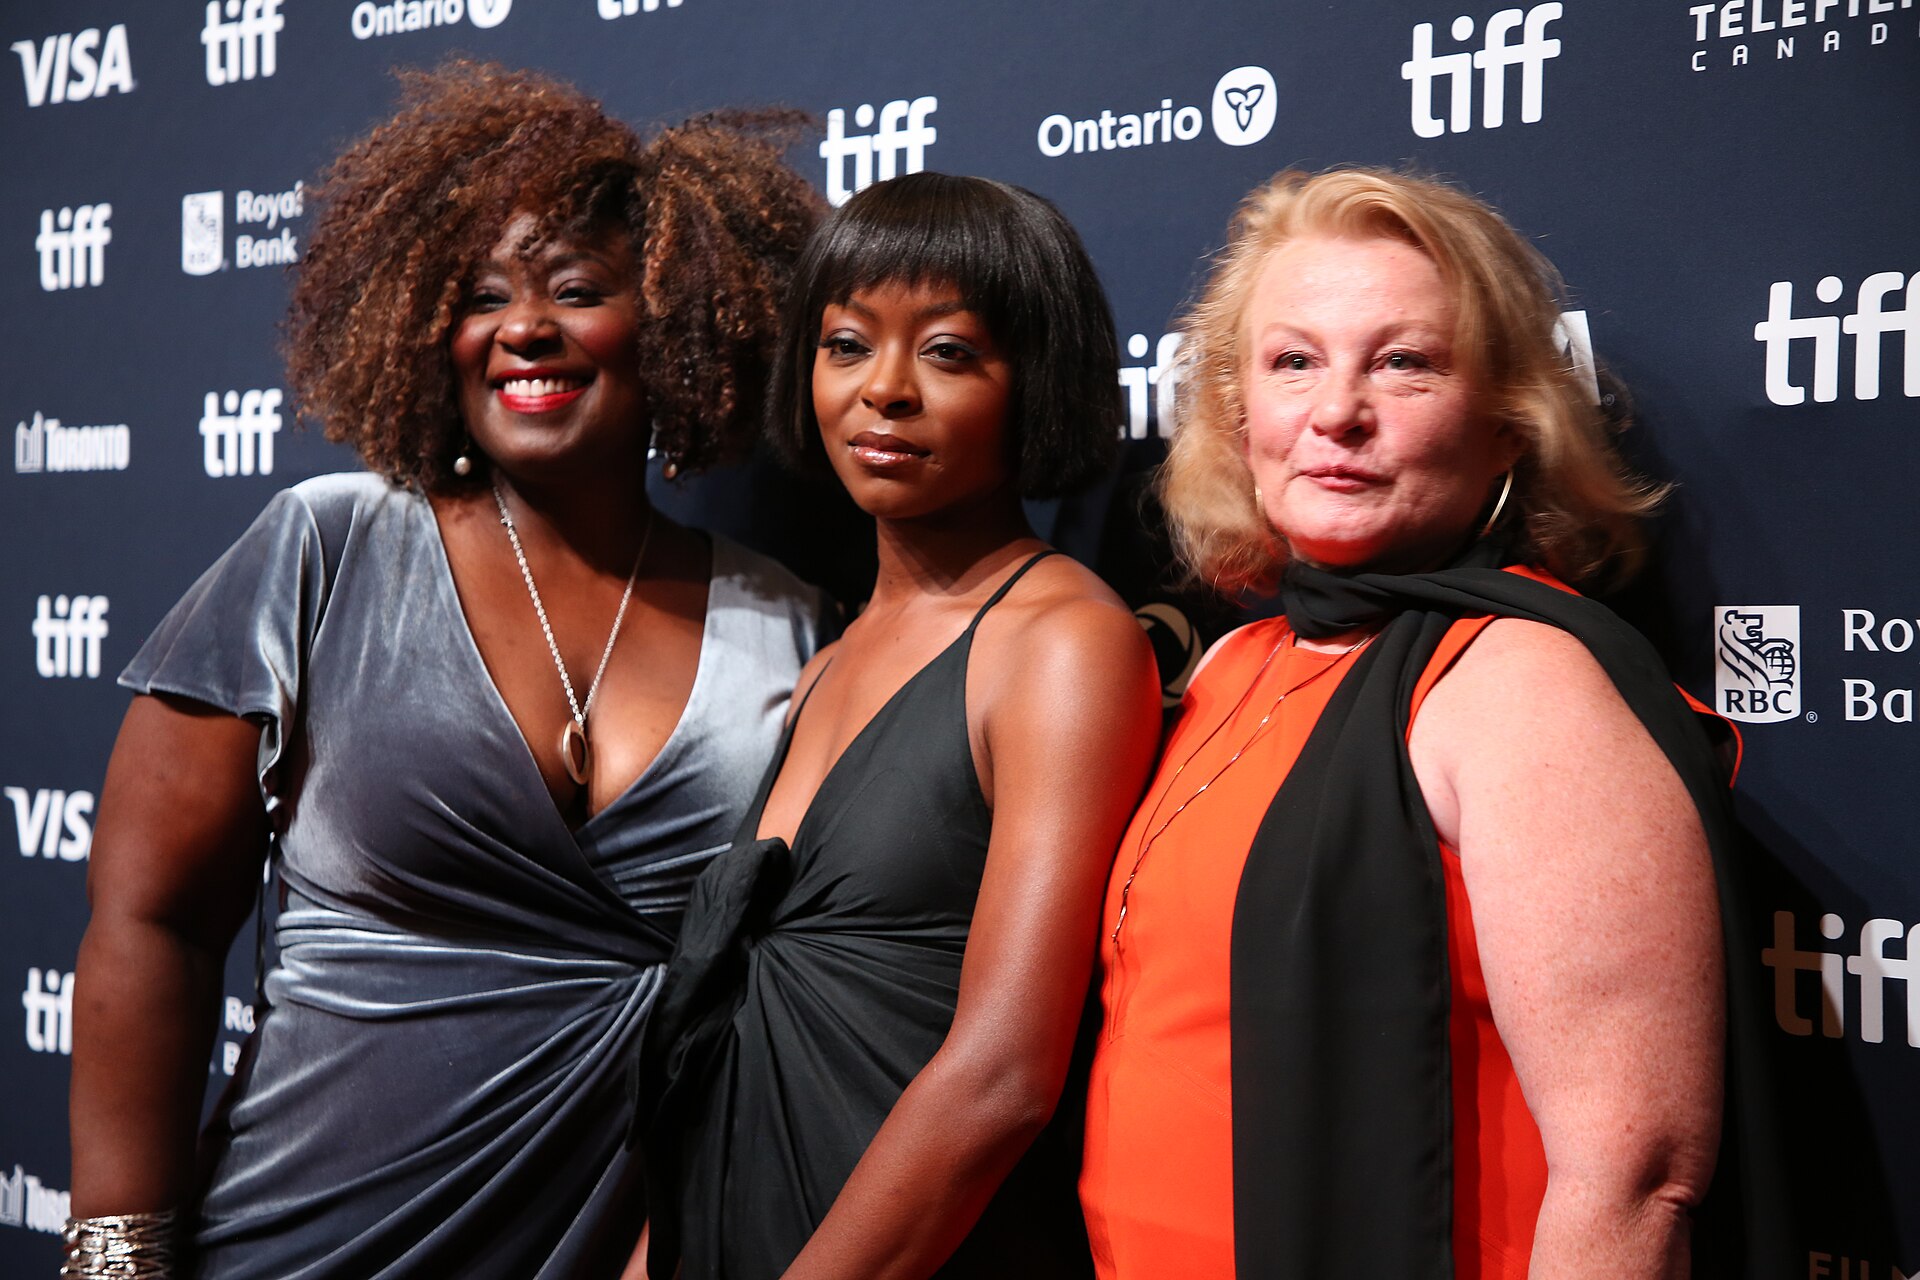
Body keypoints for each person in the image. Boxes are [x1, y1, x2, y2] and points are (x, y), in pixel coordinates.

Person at [65, 61, 828, 1280]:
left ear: (681, 318)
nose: (524, 326)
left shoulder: (788, 624)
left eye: (577, 289)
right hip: (298, 1242)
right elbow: (151, 921)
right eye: (482, 296)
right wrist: (117, 1256)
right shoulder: (328, 545)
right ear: (428, 326)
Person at [1079, 168, 1786, 1279]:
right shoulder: (1231, 664)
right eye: (1292, 360)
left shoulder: (1522, 684)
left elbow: (1634, 1177)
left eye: (1404, 362)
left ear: (1508, 425)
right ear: (1236, 409)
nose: (1336, 412)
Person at [637, 172, 1162, 1280]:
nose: (884, 391)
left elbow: (1004, 1074)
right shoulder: (828, 657)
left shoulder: (1062, 643)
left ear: (1039, 384)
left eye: (949, 352)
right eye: (845, 344)